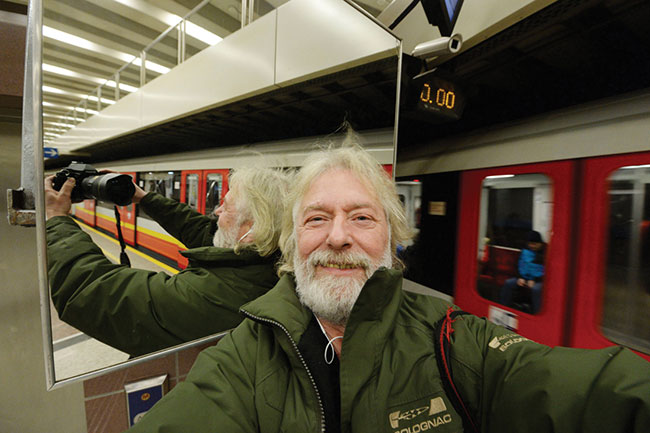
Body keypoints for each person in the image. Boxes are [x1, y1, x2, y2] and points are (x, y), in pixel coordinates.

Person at [127, 144, 650, 433]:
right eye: (316, 219)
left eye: (361, 216)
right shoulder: (242, 358)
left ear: (391, 241)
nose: (338, 235)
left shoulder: (455, 345)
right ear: (292, 243)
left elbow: (587, 389)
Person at [45, 166, 291, 356]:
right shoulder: (268, 263)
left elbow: (91, 291)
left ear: (253, 228)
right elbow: (203, 232)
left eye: (225, 207)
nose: (216, 212)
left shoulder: (210, 296)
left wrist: (57, 219)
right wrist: (143, 198)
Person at [499, 230, 546, 313]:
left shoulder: (543, 254)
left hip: (538, 279)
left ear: (540, 243)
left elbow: (544, 271)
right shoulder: (524, 252)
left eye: (534, 244)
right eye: (530, 243)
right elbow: (518, 266)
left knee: (536, 289)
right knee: (508, 283)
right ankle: (503, 307)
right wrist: (520, 277)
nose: (532, 246)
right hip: (524, 277)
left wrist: (534, 280)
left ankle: (537, 313)